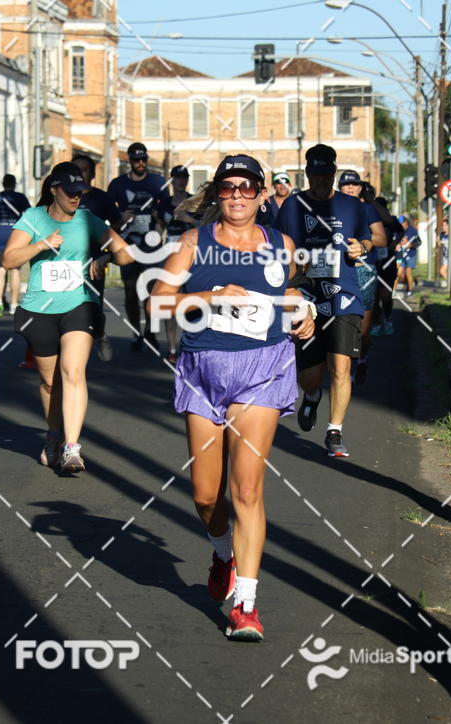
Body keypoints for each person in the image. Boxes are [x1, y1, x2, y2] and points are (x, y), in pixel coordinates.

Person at [149, 154, 315, 641]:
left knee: (246, 489)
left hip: (262, 370)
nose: (238, 195)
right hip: (203, 372)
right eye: (229, 187)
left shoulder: (280, 245)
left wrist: (303, 312)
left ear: (263, 195)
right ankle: (223, 550)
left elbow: (287, 297)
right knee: (206, 496)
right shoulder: (192, 244)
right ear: (216, 193)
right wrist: (212, 296)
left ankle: (246, 604)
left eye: (248, 187)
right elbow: (159, 300)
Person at [2, 162, 134, 474]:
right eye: (71, 192)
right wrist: (41, 244)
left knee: (73, 371)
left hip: (79, 305)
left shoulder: (88, 220)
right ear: (54, 189)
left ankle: (72, 447)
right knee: (50, 382)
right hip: (40, 309)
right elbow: (8, 260)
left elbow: (127, 253)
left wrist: (105, 255)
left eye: (81, 192)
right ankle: (52, 435)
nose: (77, 198)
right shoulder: (33, 218)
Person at [277, 145, 371, 458]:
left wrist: (363, 245)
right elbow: (276, 244)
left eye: (325, 173)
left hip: (345, 295)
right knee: (310, 376)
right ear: (307, 173)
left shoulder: (351, 205)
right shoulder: (292, 205)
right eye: (314, 173)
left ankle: (335, 431)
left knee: (342, 367)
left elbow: (372, 237)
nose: (320, 179)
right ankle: (313, 395)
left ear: (333, 173)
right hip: (305, 296)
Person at [108, 142, 169, 352]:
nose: (141, 163)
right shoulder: (118, 185)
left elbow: (167, 210)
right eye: (136, 160)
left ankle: (150, 331)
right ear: (129, 161)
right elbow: (109, 215)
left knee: (151, 291)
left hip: (151, 245)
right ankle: (136, 332)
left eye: (144, 159)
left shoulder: (158, 181)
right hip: (128, 245)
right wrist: (120, 217)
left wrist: (159, 222)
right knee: (131, 292)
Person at [72, 154, 123, 362]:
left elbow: (118, 225)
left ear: (92, 174)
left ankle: (100, 334)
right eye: (75, 170)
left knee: (93, 306)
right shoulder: (64, 198)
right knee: (68, 306)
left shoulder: (101, 198)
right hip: (67, 261)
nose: (79, 174)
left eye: (84, 169)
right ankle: (72, 347)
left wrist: (106, 251)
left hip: (94, 260)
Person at [337, 172, 386, 387]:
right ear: (339, 187)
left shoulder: (367, 209)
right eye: (346, 184)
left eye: (354, 184)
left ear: (360, 188)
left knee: (363, 330)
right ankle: (341, 369)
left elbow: (382, 239)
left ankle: (362, 359)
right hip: (337, 271)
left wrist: (365, 243)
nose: (350, 187)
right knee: (339, 324)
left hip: (363, 270)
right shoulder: (333, 209)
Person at [158, 165, 192, 363]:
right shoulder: (164, 203)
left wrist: (188, 219)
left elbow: (206, 225)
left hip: (191, 252)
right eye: (177, 177)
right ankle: (171, 347)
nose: (181, 181)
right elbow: (158, 226)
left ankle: (188, 343)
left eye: (184, 177)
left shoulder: (195, 201)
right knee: (169, 299)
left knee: (191, 299)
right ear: (172, 180)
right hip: (170, 252)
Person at [0, 174, 30, 316]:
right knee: (15, 270)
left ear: (2, 184)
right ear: (15, 184)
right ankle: (14, 305)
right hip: (14, 234)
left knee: (0, 269)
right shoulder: (20, 198)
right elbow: (29, 214)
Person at [371, 197, 404, 336]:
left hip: (388, 261)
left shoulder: (391, 221)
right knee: (373, 297)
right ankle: (377, 323)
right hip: (372, 261)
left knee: (385, 295)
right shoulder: (369, 220)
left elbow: (401, 231)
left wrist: (394, 242)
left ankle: (387, 319)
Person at [394, 215, 420, 296]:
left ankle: (410, 290)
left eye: (401, 223)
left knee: (408, 272)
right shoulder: (397, 230)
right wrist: (397, 244)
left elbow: (419, 242)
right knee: (398, 273)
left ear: (406, 223)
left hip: (410, 255)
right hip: (400, 255)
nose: (400, 225)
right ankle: (393, 291)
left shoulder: (412, 231)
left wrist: (411, 245)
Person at [438, 218, 449, 287]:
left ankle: (450, 284)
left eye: (445, 225)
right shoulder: (442, 234)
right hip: (445, 255)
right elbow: (439, 244)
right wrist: (439, 241)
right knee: (442, 271)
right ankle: (450, 284)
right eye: (443, 225)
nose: (443, 227)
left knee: (442, 271)